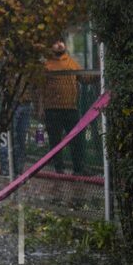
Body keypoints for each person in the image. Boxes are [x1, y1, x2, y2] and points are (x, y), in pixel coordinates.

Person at [38, 40, 90, 174]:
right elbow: (40, 88)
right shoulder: (46, 65)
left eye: (61, 42)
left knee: (76, 140)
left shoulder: (71, 62)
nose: (59, 45)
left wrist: (98, 74)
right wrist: (41, 107)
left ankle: (79, 168)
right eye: (55, 42)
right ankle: (59, 170)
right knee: (55, 142)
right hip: (52, 109)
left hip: (71, 108)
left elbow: (84, 78)